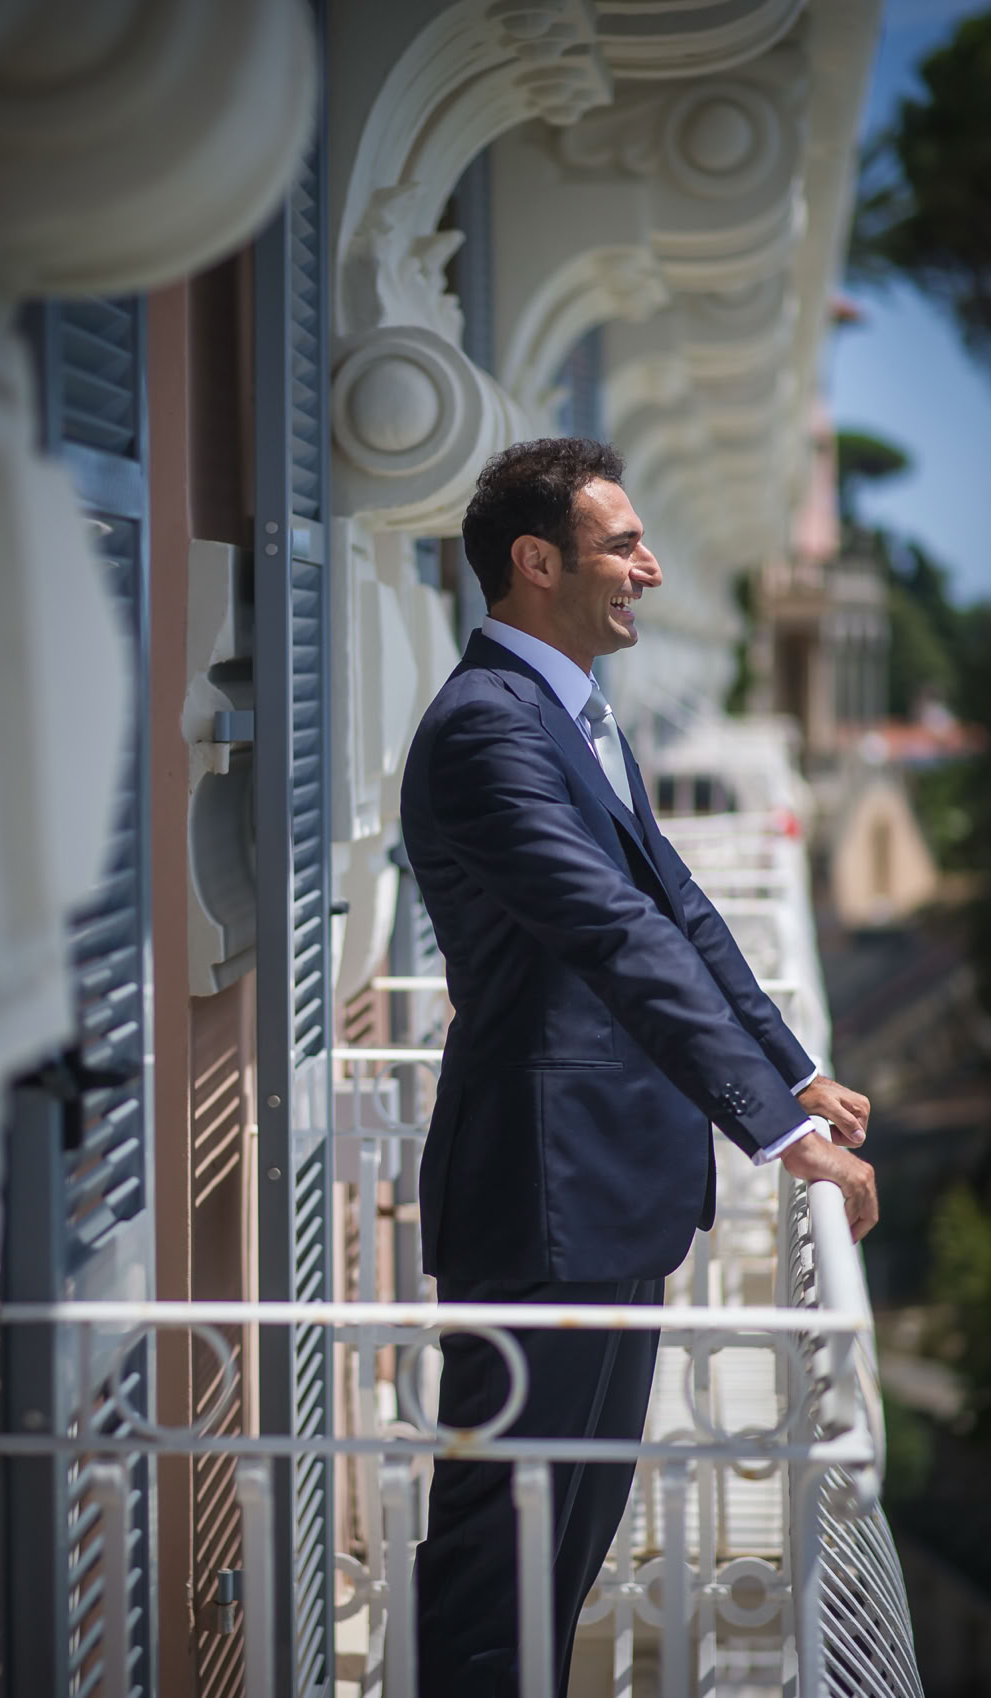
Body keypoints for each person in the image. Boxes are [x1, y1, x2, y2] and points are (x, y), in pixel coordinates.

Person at [399, 437, 878, 1698]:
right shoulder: (485, 727)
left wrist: (793, 1073)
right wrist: (777, 1134)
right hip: (542, 1197)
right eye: (621, 545)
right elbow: (612, 935)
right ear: (535, 561)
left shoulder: (566, 711)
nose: (648, 569)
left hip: (606, 1193)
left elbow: (677, 909)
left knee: (566, 1549)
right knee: (500, 1561)